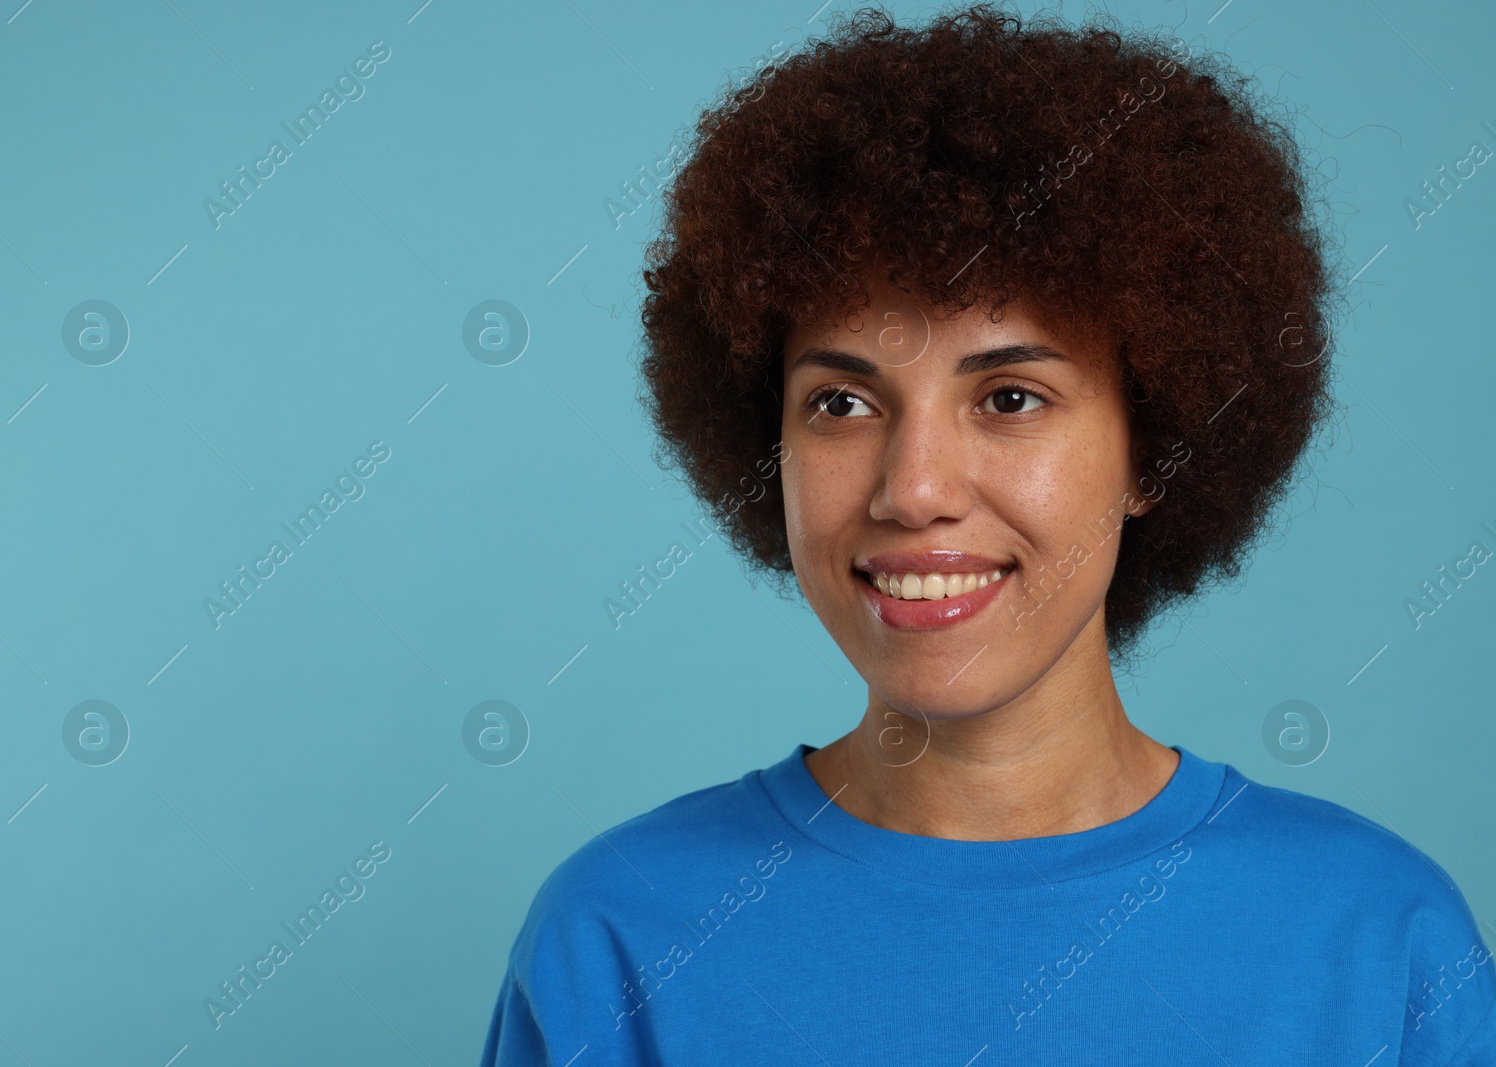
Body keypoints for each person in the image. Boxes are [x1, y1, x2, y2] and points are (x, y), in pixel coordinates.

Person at [481, 4, 1496, 1063]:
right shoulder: (618, 939)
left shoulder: (1379, 942)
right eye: (840, 403)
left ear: (1154, 448)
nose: (912, 489)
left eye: (1010, 398)